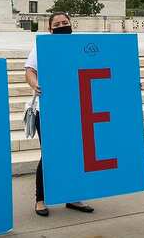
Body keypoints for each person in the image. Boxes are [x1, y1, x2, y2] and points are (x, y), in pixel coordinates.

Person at [26, 11, 94, 217]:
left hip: (74, 108)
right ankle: (40, 199)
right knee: (50, 153)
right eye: (57, 23)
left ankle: (72, 196)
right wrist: (35, 84)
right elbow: (29, 70)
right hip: (47, 109)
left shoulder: (78, 47)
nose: (62, 25)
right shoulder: (42, 47)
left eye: (66, 22)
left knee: (75, 152)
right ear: (50, 29)